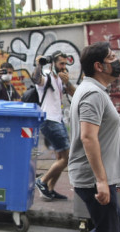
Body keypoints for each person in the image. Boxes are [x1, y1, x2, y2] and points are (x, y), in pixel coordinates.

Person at [46, 42, 120, 232]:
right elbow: (88, 137)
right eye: (111, 58)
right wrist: (102, 181)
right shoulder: (92, 93)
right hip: (93, 177)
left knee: (113, 224)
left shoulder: (93, 89)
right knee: (108, 230)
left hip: (97, 174)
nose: (117, 61)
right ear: (99, 66)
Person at [32, 51, 77, 201]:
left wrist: (67, 82)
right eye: (61, 64)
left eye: (65, 64)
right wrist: (39, 64)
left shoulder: (60, 79)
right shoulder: (47, 77)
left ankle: (50, 189)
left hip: (58, 120)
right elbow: (36, 79)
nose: (64, 67)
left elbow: (74, 93)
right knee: (66, 158)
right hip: (50, 121)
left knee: (60, 157)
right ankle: (42, 181)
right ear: (53, 64)